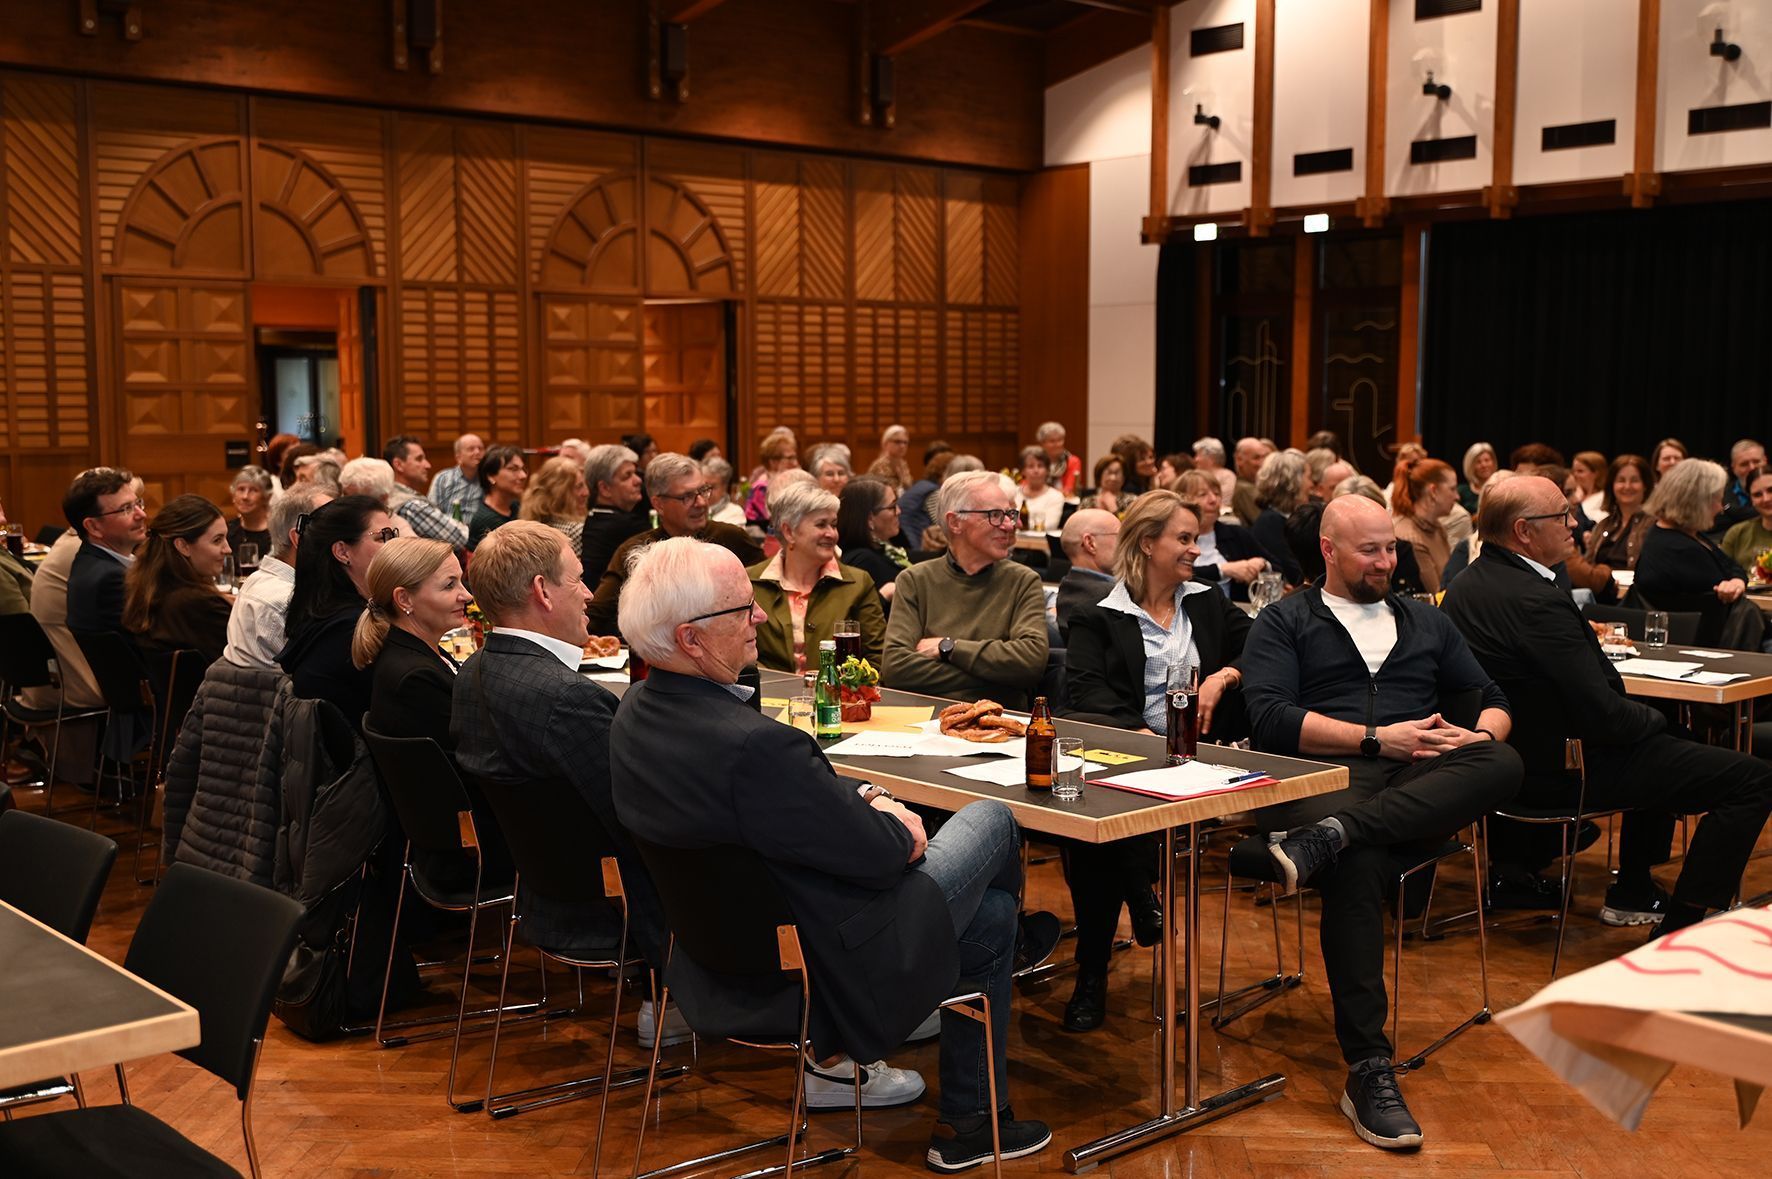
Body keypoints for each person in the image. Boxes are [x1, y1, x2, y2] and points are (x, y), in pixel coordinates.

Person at [611, 537, 1054, 1165]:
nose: (760, 618)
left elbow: (787, 807)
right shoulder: (755, 748)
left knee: (988, 923)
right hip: (829, 964)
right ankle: (994, 1001)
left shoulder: (634, 713)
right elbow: (883, 854)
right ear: (691, 637)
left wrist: (863, 795)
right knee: (992, 817)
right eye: (742, 610)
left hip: (717, 955)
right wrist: (898, 823)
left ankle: (973, 1120)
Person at [1231, 494, 1522, 1151]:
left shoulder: (1424, 619)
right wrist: (1374, 739)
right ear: (1330, 551)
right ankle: (1368, 1067)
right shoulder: (1284, 619)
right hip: (1324, 777)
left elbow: (1495, 700)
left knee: (1502, 761)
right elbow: (1270, 718)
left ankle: (1330, 839)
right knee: (1360, 865)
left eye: (1391, 547)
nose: (1387, 560)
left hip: (1418, 777)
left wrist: (1475, 736)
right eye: (1371, 550)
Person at [1443, 476, 1772, 932]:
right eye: (1562, 516)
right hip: (1562, 771)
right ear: (1523, 531)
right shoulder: (1537, 600)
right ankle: (1683, 923)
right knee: (1751, 778)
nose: (1574, 524)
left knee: (1666, 740)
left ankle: (1634, 888)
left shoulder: (1465, 584)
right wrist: (1656, 719)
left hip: (1510, 760)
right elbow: (1605, 714)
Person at [450, 520, 676, 1046]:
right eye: (577, 579)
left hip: (544, 896)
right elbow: (635, 820)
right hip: (610, 908)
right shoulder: (566, 698)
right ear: (541, 591)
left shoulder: (473, 673)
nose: (590, 594)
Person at [1059, 492, 1251, 1032]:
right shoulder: (1097, 618)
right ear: (1148, 543)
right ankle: (1125, 918)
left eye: (1195, 539)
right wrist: (1145, 744)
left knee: (1104, 830)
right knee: (1098, 823)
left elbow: (1260, 648)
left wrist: (1223, 676)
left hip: (1202, 760)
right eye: (1184, 539)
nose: (1195, 549)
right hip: (1126, 756)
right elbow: (1089, 698)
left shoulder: (1207, 603)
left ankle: (1097, 966)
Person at [881, 470, 1048, 709]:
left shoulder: (1023, 581)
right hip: (926, 724)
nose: (1010, 525)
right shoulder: (915, 580)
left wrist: (948, 648)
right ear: (955, 522)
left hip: (1001, 725)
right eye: (995, 515)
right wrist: (999, 678)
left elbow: (1030, 662)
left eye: (1010, 514)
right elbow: (897, 669)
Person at [586, 453, 764, 638]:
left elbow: (768, 587)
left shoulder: (730, 538)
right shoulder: (637, 551)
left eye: (703, 490)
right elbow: (595, 615)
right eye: (687, 497)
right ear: (659, 504)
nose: (701, 502)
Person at [279, 496, 396, 730]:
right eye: (382, 537)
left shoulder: (325, 613)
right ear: (342, 551)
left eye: (392, 535)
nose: (394, 546)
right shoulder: (350, 628)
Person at [750, 481, 885, 673]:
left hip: (838, 698)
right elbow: (739, 655)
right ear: (789, 532)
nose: (831, 534)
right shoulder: (750, 583)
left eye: (834, 525)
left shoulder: (858, 583)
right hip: (769, 697)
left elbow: (877, 657)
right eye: (821, 524)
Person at [1637, 459, 1767, 651]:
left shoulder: (1688, 534)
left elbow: (1733, 568)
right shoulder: (1679, 549)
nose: (1720, 508)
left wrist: (1737, 582)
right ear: (1696, 501)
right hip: (1705, 650)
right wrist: (1735, 582)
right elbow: (1726, 593)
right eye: (1716, 499)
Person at [356, 538, 472, 749]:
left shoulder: (412, 647)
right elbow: (468, 755)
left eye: (461, 581)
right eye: (449, 585)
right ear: (404, 600)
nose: (467, 595)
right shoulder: (414, 678)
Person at [225, 484, 332, 670]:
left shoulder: (257, 579)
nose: (345, 537)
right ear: (299, 538)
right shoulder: (287, 601)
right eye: (332, 526)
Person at [123, 495, 234, 664]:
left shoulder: (150, 589)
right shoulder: (199, 605)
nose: (228, 549)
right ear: (183, 546)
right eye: (217, 540)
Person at [65, 466, 147, 636]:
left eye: (138, 503)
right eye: (126, 509)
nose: (141, 515)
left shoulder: (91, 562)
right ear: (94, 527)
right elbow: (151, 644)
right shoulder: (111, 580)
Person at [1170, 470, 1271, 601]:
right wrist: (1224, 570)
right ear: (1183, 501)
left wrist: (1261, 565)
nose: (1213, 500)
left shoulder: (1236, 534)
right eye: (1203, 494)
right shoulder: (1172, 538)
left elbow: (1277, 567)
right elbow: (1170, 575)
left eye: (1217, 494)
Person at [1583, 454, 1655, 589]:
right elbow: (1588, 565)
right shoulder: (1603, 525)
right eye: (1621, 480)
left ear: (1645, 485)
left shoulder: (1654, 525)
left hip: (1634, 596)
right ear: (1612, 486)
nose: (1627, 486)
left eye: (1634, 480)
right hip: (1602, 593)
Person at [1389, 457, 1457, 595]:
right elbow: (1437, 596)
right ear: (1433, 491)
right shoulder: (1411, 538)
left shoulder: (1437, 527)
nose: (1457, 496)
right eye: (1452, 489)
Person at [384, 434, 467, 546]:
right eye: (419, 459)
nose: (428, 465)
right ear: (398, 464)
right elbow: (459, 539)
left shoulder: (388, 494)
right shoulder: (411, 506)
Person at [837, 476, 908, 606]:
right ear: (870, 519)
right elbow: (855, 617)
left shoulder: (881, 550)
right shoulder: (862, 561)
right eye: (892, 506)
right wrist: (885, 596)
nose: (898, 511)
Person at [581, 443, 646, 583]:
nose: (638, 480)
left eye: (635, 473)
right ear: (605, 488)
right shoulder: (626, 526)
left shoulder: (595, 516)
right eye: (627, 476)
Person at [1052, 508, 1120, 643]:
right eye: (1121, 536)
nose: (1127, 544)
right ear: (1090, 543)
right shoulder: (1111, 598)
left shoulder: (1070, 587)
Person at [1251, 450, 1306, 586]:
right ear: (1294, 483)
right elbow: (1295, 574)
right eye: (1308, 477)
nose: (1311, 484)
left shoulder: (1285, 518)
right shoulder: (1270, 522)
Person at [518, 455, 589, 559]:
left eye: (584, 485)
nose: (586, 492)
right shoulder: (576, 531)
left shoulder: (529, 525)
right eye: (579, 487)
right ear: (561, 493)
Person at [466, 445, 526, 551]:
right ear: (491, 476)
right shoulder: (486, 521)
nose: (523, 475)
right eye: (513, 469)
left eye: (522, 469)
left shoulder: (516, 506)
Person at [899, 448, 955, 553]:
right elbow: (942, 524)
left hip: (905, 542)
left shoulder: (921, 485)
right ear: (944, 473)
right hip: (914, 547)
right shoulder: (932, 491)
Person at [744, 427, 800, 529]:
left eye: (795, 457)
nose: (795, 463)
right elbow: (775, 519)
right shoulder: (761, 487)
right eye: (790, 458)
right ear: (773, 462)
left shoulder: (793, 482)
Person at [1721, 468, 1772, 572]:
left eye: (1771, 490)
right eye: (1757, 495)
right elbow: (1721, 575)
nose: (1766, 499)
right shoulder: (1737, 533)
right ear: (1751, 500)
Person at [428, 433, 485, 521]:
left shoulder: (489, 479)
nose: (477, 452)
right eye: (471, 449)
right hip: (447, 531)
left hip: (479, 532)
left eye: (480, 448)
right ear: (458, 457)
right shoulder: (443, 478)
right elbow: (433, 512)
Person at [1718, 438, 1767, 531]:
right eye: (1744, 464)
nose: (1752, 468)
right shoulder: (1719, 495)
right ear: (1733, 468)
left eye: (1756, 461)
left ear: (1765, 461)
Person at [226, 466, 273, 559]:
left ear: (266, 497)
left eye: (253, 490)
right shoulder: (227, 531)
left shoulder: (276, 533)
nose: (245, 496)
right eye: (241, 489)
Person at [1013, 447, 1065, 530]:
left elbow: (1050, 525)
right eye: (1030, 466)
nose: (1036, 470)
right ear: (1023, 471)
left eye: (1040, 466)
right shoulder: (1013, 493)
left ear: (1047, 470)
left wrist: (1019, 524)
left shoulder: (1056, 496)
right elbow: (1007, 521)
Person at [1035, 421, 1082, 498]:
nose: (1057, 444)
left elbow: (1069, 490)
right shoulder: (1035, 462)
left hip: (1064, 502)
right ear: (1042, 443)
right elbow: (1026, 486)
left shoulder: (1073, 461)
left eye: (1060, 440)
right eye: (1052, 441)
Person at [1230, 437, 1270, 525]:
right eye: (1256, 458)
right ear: (1239, 460)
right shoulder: (1244, 489)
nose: (1262, 463)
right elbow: (1266, 523)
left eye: (1264, 457)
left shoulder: (1257, 485)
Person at [1193, 435, 1238, 507]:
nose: (1196, 459)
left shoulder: (1227, 476)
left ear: (1211, 457)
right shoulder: (1195, 476)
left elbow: (1223, 502)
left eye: (1198, 455)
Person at [703, 456, 747, 528]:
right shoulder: (695, 508)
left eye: (712, 487)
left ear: (724, 487)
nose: (707, 492)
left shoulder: (735, 512)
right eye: (704, 486)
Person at [867, 424, 914, 490]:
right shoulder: (879, 466)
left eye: (905, 442)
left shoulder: (903, 464)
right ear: (885, 443)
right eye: (897, 442)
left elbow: (908, 487)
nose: (902, 446)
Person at [1457, 442, 1498, 515]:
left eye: (1487, 460)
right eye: (1478, 462)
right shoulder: (1461, 491)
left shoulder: (1501, 488)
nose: (1484, 465)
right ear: (1471, 465)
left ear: (1493, 462)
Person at [1570, 450, 1607, 521]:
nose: (1574, 475)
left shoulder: (1604, 497)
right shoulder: (1572, 494)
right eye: (1573, 471)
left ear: (1596, 473)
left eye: (1580, 471)